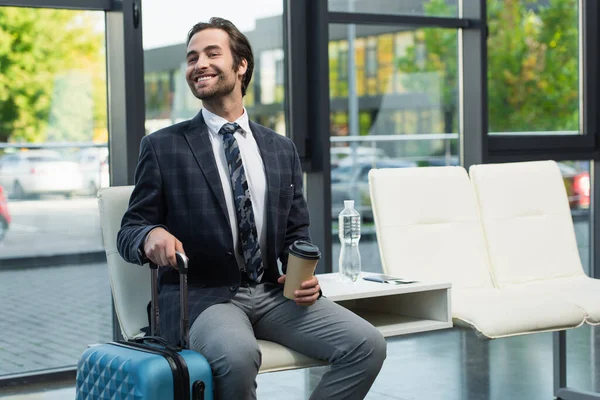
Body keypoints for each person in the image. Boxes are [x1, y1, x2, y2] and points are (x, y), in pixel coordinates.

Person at [117, 17, 386, 400]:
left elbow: (296, 234)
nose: (199, 64)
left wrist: (302, 274)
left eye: (212, 53)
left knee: (367, 345)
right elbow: (130, 229)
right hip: (202, 297)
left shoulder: (280, 148)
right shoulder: (163, 146)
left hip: (273, 294)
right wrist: (149, 235)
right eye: (192, 58)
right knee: (239, 355)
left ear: (241, 65)